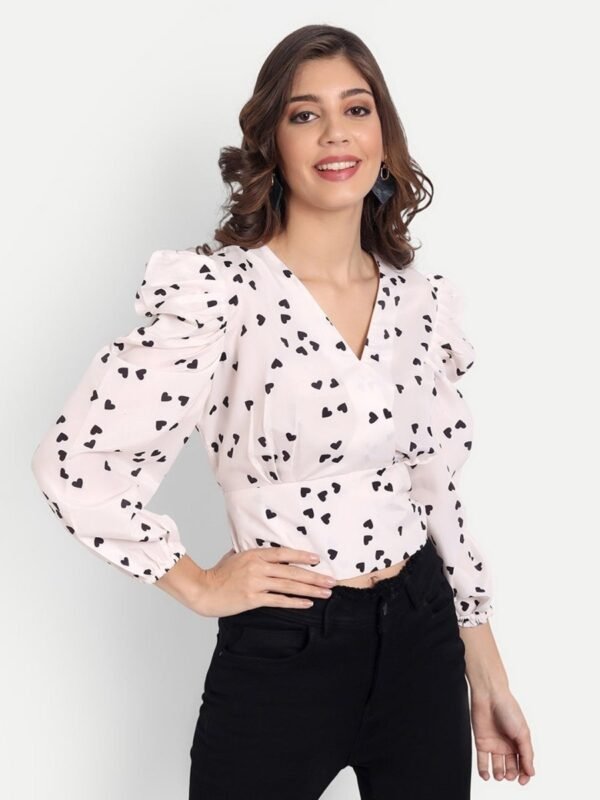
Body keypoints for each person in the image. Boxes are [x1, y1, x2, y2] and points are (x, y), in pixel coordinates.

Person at [30, 23, 535, 800]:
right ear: (272, 141)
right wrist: (197, 583)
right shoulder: (222, 294)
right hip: (283, 651)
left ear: (384, 135)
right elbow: (74, 463)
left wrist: (488, 672)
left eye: (357, 109)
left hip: (422, 637)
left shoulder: (420, 303)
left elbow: (435, 489)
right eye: (305, 114)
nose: (336, 133)